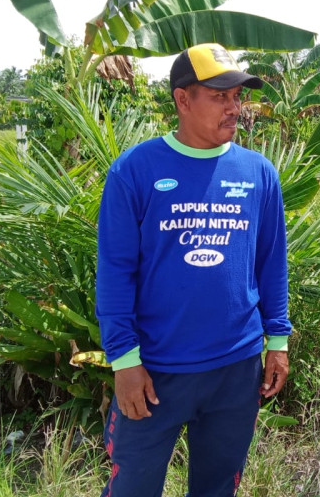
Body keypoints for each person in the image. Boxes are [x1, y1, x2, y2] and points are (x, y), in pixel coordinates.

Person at [95, 43, 292, 497]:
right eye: (219, 96)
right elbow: (115, 272)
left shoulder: (258, 173)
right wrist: (124, 361)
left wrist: (277, 342)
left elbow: (271, 263)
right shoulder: (135, 171)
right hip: (155, 373)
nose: (234, 108)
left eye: (237, 97)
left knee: (217, 488)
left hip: (236, 371)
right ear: (183, 100)